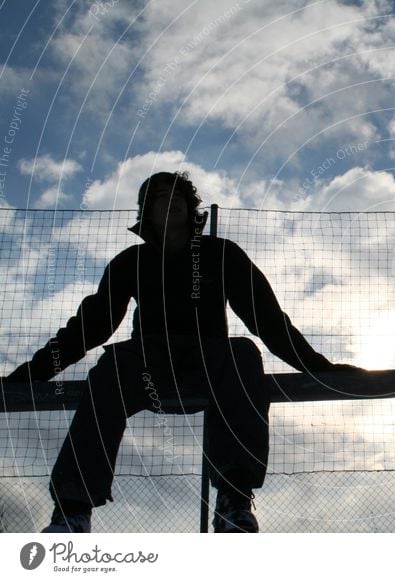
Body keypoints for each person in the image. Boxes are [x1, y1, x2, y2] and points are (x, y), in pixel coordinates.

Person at [2, 171, 360, 533]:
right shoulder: (131, 262)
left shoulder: (221, 254)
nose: (170, 199)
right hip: (148, 367)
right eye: (159, 195)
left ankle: (233, 502)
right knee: (112, 364)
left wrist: (320, 368)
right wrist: (26, 378)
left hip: (208, 364)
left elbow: (267, 320)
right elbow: (89, 328)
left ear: (191, 207)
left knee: (242, 353)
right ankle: (72, 511)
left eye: (178, 194)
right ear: (147, 210)